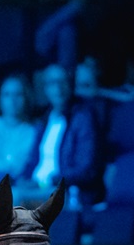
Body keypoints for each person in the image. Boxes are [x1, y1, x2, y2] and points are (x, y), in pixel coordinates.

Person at [15, 63, 105, 207]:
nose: (58, 88)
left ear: (70, 85)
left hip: (65, 190)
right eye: (52, 83)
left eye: (62, 81)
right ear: (45, 88)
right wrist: (23, 178)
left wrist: (48, 181)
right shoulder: (44, 121)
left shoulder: (83, 118)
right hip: (37, 187)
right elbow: (32, 161)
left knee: (9, 200)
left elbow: (86, 170)